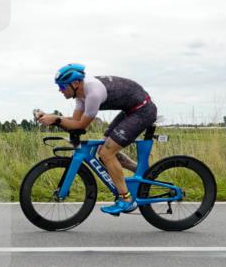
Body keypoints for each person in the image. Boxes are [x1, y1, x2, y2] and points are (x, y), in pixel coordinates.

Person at [35, 63, 157, 215]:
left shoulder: (93, 94)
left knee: (107, 153)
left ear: (75, 83)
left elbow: (81, 125)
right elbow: (74, 123)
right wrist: (51, 118)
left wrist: (56, 120)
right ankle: (146, 173)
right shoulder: (81, 96)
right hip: (131, 110)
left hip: (142, 111)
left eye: (62, 86)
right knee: (104, 149)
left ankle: (126, 199)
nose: (60, 90)